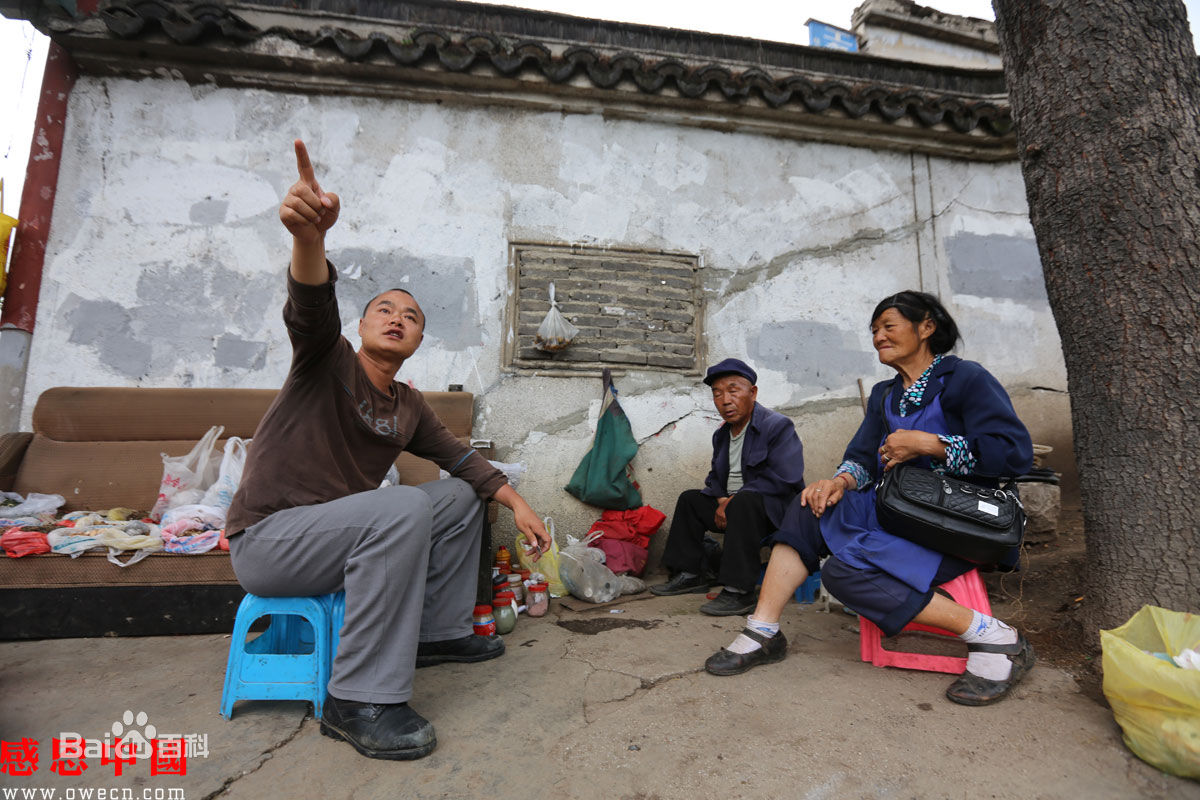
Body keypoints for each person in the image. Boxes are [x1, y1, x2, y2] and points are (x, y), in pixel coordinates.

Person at [225, 140, 552, 760]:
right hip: (269, 543)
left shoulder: (408, 405)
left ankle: (437, 633)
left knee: (457, 497)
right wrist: (309, 240)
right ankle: (356, 701)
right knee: (402, 506)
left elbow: (463, 461)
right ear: (361, 326)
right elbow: (310, 307)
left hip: (333, 533)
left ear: (419, 339)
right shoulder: (326, 360)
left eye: (412, 316)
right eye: (384, 309)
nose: (397, 318)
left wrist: (518, 503)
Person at [704, 291, 1035, 706]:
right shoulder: (885, 394)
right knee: (809, 504)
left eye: (888, 326)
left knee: (843, 574)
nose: (879, 337)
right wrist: (840, 482)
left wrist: (930, 444)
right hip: (903, 512)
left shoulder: (965, 379)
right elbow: (863, 457)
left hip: (958, 524)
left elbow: (1014, 453)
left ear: (926, 327)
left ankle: (996, 637)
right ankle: (763, 631)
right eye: (874, 330)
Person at [650, 358, 806, 616]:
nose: (725, 400)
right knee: (690, 500)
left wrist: (734, 500)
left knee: (744, 502)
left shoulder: (777, 426)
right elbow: (715, 476)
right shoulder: (722, 434)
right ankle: (690, 574)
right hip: (735, 505)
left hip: (771, 510)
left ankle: (739, 591)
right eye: (717, 393)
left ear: (752, 393)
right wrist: (721, 499)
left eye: (733, 391)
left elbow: (784, 477)